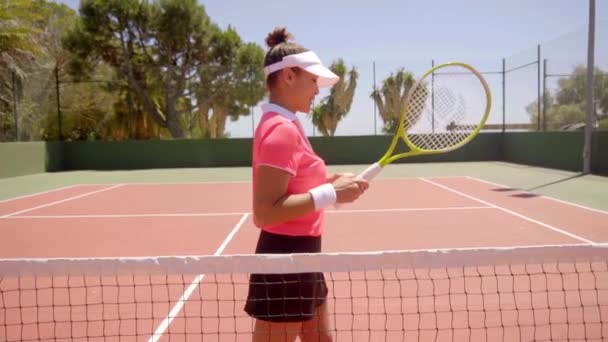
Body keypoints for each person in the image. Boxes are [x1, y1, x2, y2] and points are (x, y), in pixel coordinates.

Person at [244, 27, 369, 342]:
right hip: (285, 259)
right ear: (288, 76)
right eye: (313, 81)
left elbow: (294, 188)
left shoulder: (287, 124)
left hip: (305, 255)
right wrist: (330, 193)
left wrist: (332, 184)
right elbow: (265, 213)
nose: (317, 89)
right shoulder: (281, 130)